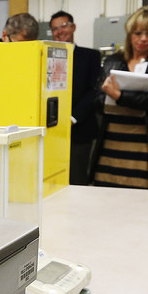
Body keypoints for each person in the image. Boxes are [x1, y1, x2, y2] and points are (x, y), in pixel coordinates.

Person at [88, 6, 148, 189]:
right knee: (106, 198)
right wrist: (116, 97)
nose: (143, 38)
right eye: (137, 33)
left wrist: (120, 96)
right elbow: (97, 99)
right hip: (112, 144)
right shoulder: (113, 61)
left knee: (143, 203)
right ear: (129, 34)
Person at [51, 10, 104, 185]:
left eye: (64, 26)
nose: (60, 31)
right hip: (52, 130)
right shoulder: (46, 56)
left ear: (73, 27)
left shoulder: (90, 56)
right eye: (55, 29)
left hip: (80, 129)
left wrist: (73, 118)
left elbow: (94, 91)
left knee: (77, 178)